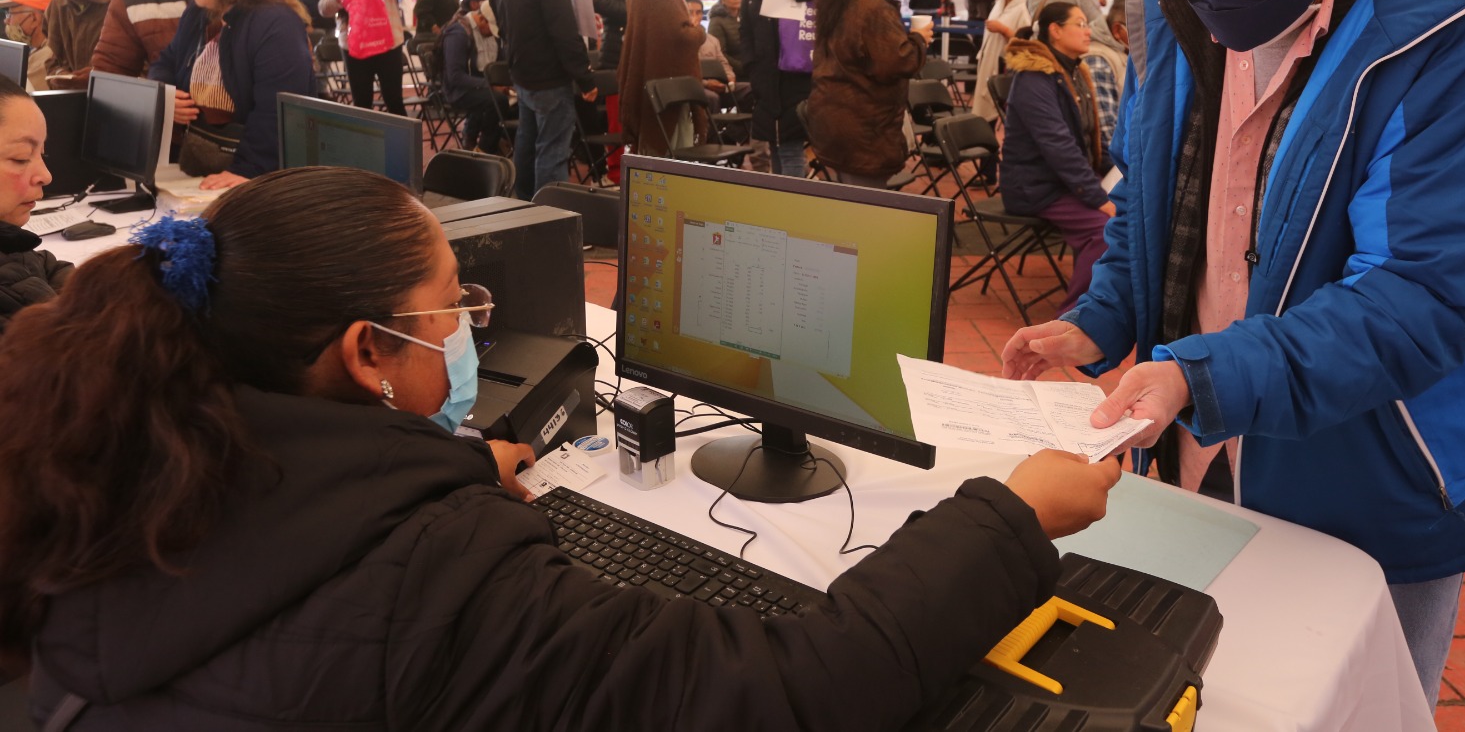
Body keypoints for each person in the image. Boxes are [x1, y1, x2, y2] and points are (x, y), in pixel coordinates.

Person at [2, 165, 1120, 729]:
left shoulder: (110, 458)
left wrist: (443, 479)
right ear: (367, 352)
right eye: (454, 306)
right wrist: (1012, 516)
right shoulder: (443, 577)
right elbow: (795, 691)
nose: (469, 327)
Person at [1001, 0, 1465, 709]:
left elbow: (1422, 295)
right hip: (1199, 417)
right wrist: (1102, 316)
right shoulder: (1174, 5)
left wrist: (1204, 374)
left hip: (1380, 455)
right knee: (1203, 683)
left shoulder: (1460, 35)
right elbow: (1157, 200)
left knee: (1352, 694)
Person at [149, 0, 316, 189]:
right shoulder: (199, 12)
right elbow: (167, 61)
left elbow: (277, 110)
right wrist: (167, 95)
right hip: (204, 162)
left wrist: (249, 170)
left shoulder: (276, 23)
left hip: (261, 175)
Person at [999, 2, 1112, 307]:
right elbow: (1058, 146)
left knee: (1133, 210)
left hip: (1063, 181)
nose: (1088, 31)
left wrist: (1120, 173)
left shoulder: (1073, 71)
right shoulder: (1034, 78)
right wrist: (1098, 198)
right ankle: (1076, 316)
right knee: (1105, 229)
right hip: (1036, 187)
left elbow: (1091, 136)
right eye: (1080, 24)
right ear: (1056, 31)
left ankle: (1111, 304)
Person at [807, 0, 931, 188]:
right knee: (863, 203)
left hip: (836, 117)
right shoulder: (874, 6)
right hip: (863, 125)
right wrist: (919, 39)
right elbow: (896, 62)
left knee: (848, 196)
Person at [491, 0, 598, 200]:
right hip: (550, 78)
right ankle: (550, 214)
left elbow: (501, 25)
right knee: (552, 152)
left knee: (527, 145)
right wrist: (585, 79)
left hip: (522, 75)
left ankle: (525, 205)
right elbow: (565, 34)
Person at [616, 0, 707, 158]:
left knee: (656, 150)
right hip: (667, 78)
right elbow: (679, 36)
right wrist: (699, 32)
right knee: (674, 151)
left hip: (649, 72)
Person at [740, 0, 816, 176]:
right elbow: (746, 30)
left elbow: (816, 21)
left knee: (790, 149)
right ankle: (781, 198)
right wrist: (751, 65)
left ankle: (792, 201)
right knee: (774, 145)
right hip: (764, 77)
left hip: (793, 77)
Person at [318, 0, 418, 116]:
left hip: (388, 43)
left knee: (394, 100)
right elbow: (323, 9)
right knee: (362, 102)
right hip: (355, 45)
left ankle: (401, 135)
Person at [0, 76, 70, 333]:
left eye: (42, 153)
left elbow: (40, 265)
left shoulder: (10, 243)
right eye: (21, 158)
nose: (46, 176)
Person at [439, 0, 509, 154]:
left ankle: (492, 141)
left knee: (515, 101)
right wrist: (489, 85)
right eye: (491, 29)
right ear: (482, 20)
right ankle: (485, 149)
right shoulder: (458, 33)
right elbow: (455, 77)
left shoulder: (486, 31)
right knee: (498, 100)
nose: (492, 34)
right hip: (459, 91)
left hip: (478, 85)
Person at [970, 0, 1031, 126]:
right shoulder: (1001, 2)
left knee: (999, 118)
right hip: (988, 65)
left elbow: (1026, 45)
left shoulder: (1024, 8)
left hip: (1004, 72)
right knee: (983, 118)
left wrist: (1004, 30)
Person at [1083, 0, 1128, 156]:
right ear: (1117, 30)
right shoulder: (1097, 60)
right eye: (1139, 28)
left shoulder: (1121, 52)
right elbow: (1106, 132)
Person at [688, 0, 747, 109]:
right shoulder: (678, 41)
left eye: (698, 12)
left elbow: (723, 63)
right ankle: (712, 121)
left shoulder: (712, 40)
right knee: (712, 97)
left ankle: (745, 121)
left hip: (719, 84)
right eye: (690, 12)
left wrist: (730, 78)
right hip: (697, 86)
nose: (694, 16)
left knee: (750, 89)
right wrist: (706, 83)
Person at [1, 0, 55, 91]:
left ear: (34, 19)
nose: (6, 21)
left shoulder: (45, 58)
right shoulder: (40, 49)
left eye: (10, 15)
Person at [707, 0, 745, 80]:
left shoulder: (745, 17)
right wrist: (744, 67)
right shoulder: (717, 21)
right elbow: (720, 53)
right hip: (732, 72)